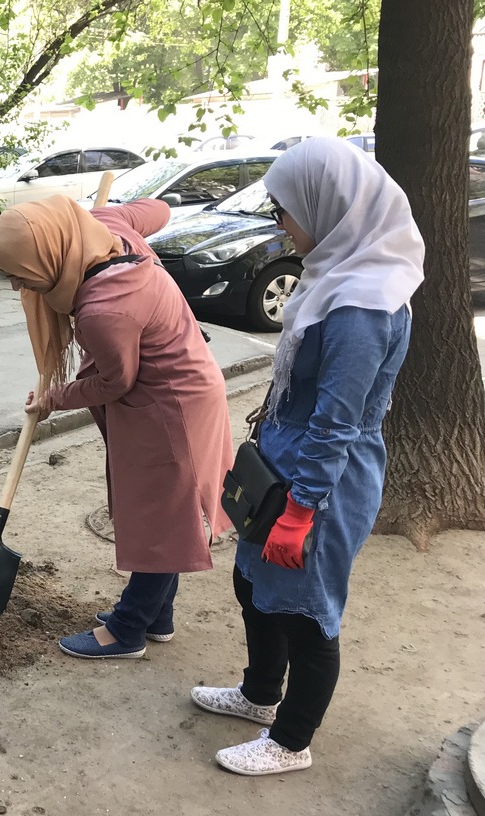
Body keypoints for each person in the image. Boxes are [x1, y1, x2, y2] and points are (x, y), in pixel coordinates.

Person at [190, 137, 424, 776]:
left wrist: (300, 510)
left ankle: (291, 741)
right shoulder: (334, 275)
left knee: (307, 612)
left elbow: (337, 424)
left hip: (321, 477)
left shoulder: (363, 305)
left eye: (283, 211)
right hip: (282, 460)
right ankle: (260, 695)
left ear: (329, 208)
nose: (280, 225)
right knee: (253, 584)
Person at [0, 195, 233, 659]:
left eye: (21, 273)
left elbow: (115, 381)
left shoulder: (103, 309)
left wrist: (53, 398)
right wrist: (121, 211)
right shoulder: (101, 230)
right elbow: (157, 210)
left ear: (52, 254)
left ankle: (128, 630)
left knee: (160, 518)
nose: (18, 285)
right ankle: (158, 615)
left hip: (170, 410)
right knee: (166, 511)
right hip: (179, 392)